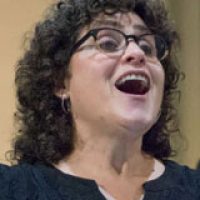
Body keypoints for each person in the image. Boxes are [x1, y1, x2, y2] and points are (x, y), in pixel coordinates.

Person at [0, 0, 200, 199]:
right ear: (60, 82)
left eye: (148, 48)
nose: (137, 53)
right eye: (108, 43)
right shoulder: (11, 189)